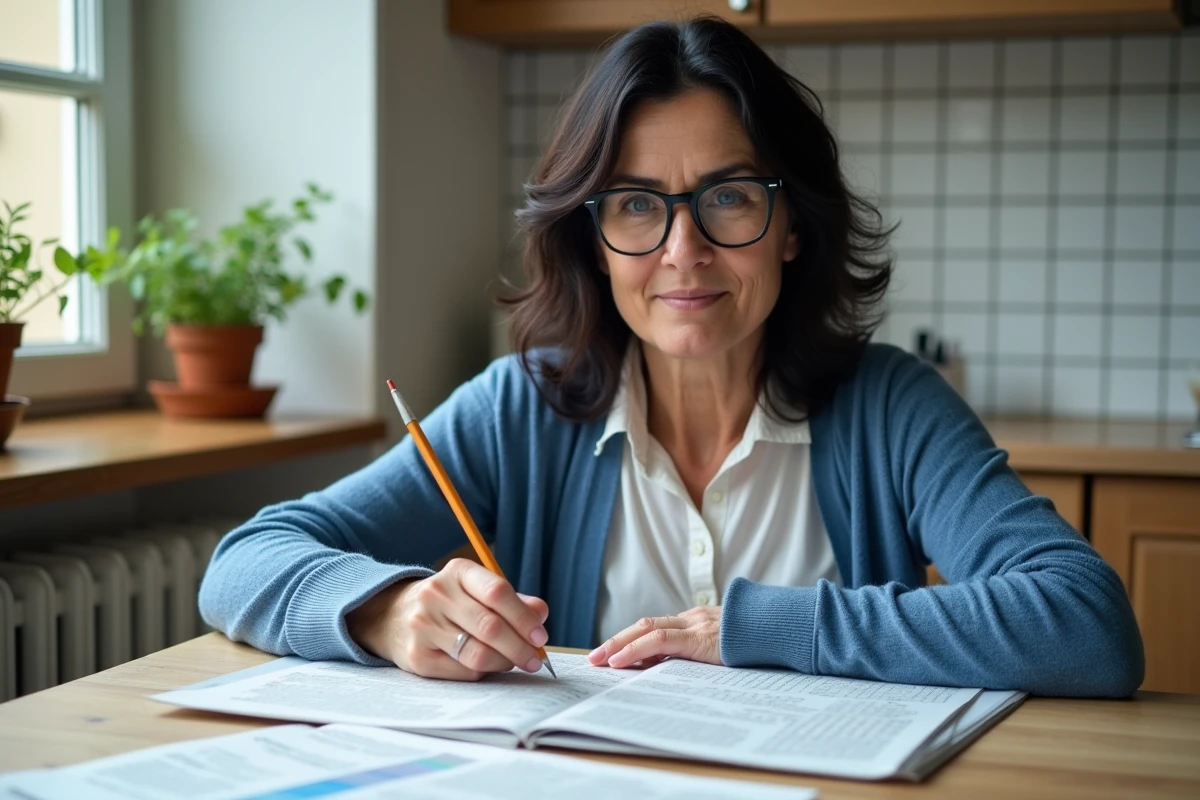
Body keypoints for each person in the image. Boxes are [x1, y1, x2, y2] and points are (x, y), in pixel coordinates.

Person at [199, 17, 1143, 697]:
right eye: (637, 204)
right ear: (594, 238)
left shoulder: (892, 407)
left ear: (791, 228)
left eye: (728, 197)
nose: (682, 252)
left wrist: (756, 631)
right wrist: (386, 610)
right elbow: (243, 561)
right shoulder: (524, 407)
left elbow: (1085, 625)